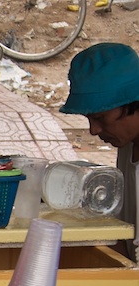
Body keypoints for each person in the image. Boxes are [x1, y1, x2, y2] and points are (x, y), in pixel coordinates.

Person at [61, 43, 139, 262]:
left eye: (101, 118)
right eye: (89, 119)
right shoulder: (128, 145)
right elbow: (123, 238)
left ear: (133, 105)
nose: (94, 130)